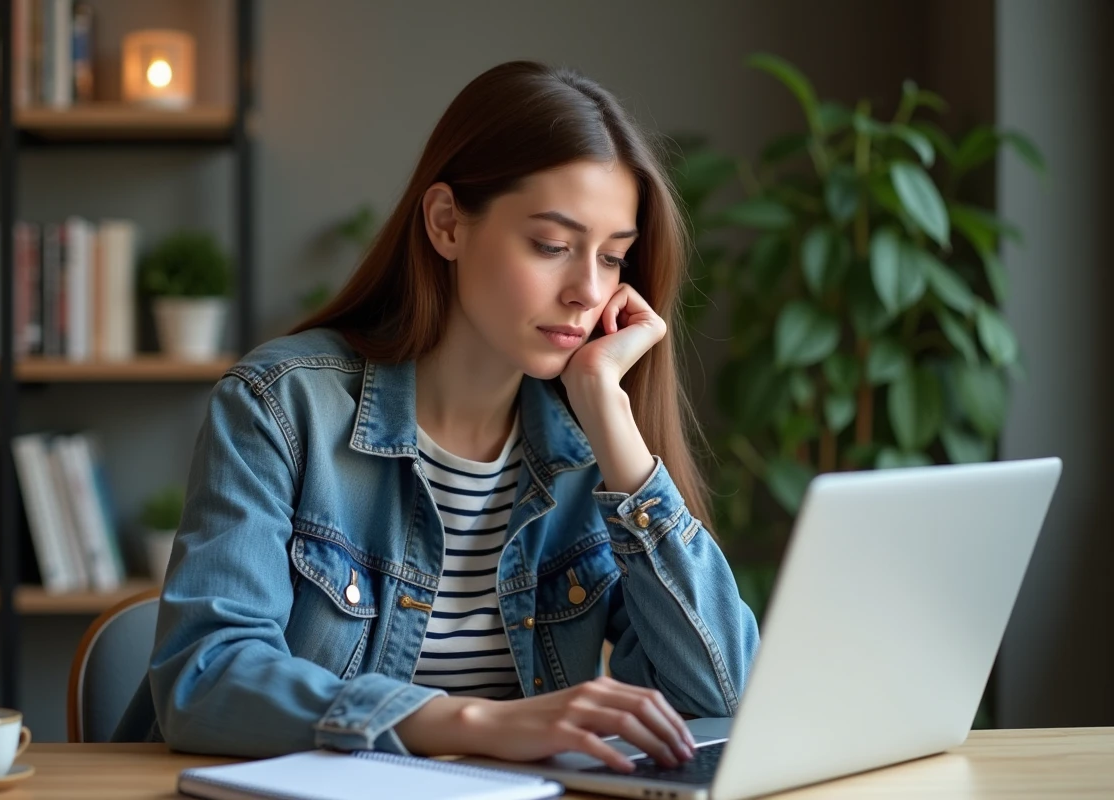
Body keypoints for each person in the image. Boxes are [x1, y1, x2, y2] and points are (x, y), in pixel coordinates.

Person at [114, 60, 759, 774]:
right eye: (552, 245)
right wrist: (474, 723)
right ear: (447, 223)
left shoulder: (588, 450)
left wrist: (615, 426)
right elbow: (206, 678)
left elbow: (724, 697)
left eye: (612, 258)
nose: (587, 290)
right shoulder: (282, 403)